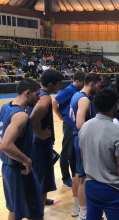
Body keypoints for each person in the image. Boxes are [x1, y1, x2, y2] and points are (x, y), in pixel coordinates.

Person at [80, 89, 119, 220]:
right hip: (111, 189)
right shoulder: (118, 132)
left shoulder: (85, 127)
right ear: (115, 106)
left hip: (91, 186)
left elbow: (83, 157)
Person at [0, 79, 44, 220]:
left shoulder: (6, 107)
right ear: (27, 93)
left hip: (7, 169)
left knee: (14, 210)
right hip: (21, 171)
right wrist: (27, 161)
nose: (39, 98)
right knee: (35, 214)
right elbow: (6, 145)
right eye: (37, 94)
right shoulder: (21, 115)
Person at [26, 69, 64, 209]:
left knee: (39, 176)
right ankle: (39, 211)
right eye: (59, 84)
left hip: (35, 144)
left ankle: (42, 200)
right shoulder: (46, 97)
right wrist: (40, 134)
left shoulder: (37, 93)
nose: (61, 87)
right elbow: (33, 118)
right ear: (50, 84)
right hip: (40, 144)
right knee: (43, 180)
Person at [69, 73, 103, 219]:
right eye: (99, 85)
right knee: (83, 177)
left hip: (75, 138)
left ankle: (76, 207)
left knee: (78, 174)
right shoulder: (84, 100)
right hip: (82, 139)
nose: (99, 88)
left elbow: (72, 117)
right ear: (91, 84)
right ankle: (84, 213)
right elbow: (80, 124)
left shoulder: (76, 95)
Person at [52, 71, 86, 188]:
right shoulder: (69, 90)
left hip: (75, 125)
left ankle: (73, 174)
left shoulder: (78, 91)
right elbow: (54, 102)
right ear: (77, 81)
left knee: (73, 152)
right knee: (66, 152)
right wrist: (61, 117)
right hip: (69, 125)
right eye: (83, 82)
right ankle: (65, 178)